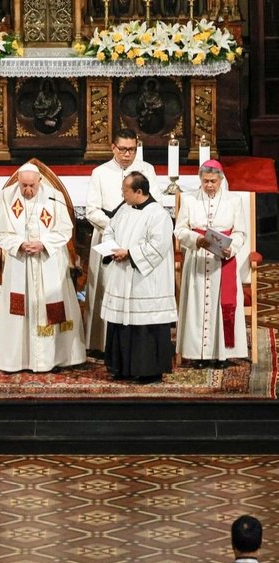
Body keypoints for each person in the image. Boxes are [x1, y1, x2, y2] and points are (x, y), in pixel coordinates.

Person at [0, 162, 86, 373]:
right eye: (23, 185)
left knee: (52, 308)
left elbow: (64, 231)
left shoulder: (54, 197)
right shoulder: (5, 198)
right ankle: (16, 359)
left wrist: (44, 244)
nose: (28, 190)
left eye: (32, 185)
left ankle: (56, 358)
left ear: (40, 181)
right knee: (18, 309)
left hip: (48, 261)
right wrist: (19, 244)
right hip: (19, 264)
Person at [84, 128, 163, 355]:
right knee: (104, 288)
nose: (128, 154)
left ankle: (133, 343)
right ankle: (100, 343)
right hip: (107, 236)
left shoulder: (146, 170)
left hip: (136, 240)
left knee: (134, 291)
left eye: (132, 149)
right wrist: (113, 227)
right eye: (123, 149)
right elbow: (91, 209)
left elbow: (154, 201)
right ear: (113, 148)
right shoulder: (100, 172)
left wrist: (130, 227)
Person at [99, 171, 177, 384]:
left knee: (144, 326)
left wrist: (130, 253)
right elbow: (109, 230)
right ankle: (121, 367)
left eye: (125, 190)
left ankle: (148, 370)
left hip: (146, 282)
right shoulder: (124, 209)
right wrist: (112, 248)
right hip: (122, 275)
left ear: (139, 191)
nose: (122, 193)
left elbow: (158, 247)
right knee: (122, 324)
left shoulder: (157, 214)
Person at [174, 158, 248, 369]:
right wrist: (196, 239)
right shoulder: (189, 200)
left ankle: (221, 355)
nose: (209, 185)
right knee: (197, 307)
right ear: (200, 179)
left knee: (220, 306)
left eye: (213, 181)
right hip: (197, 260)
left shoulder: (233, 201)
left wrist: (231, 248)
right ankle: (198, 355)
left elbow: (240, 232)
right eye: (205, 181)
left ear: (221, 179)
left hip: (222, 263)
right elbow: (179, 230)